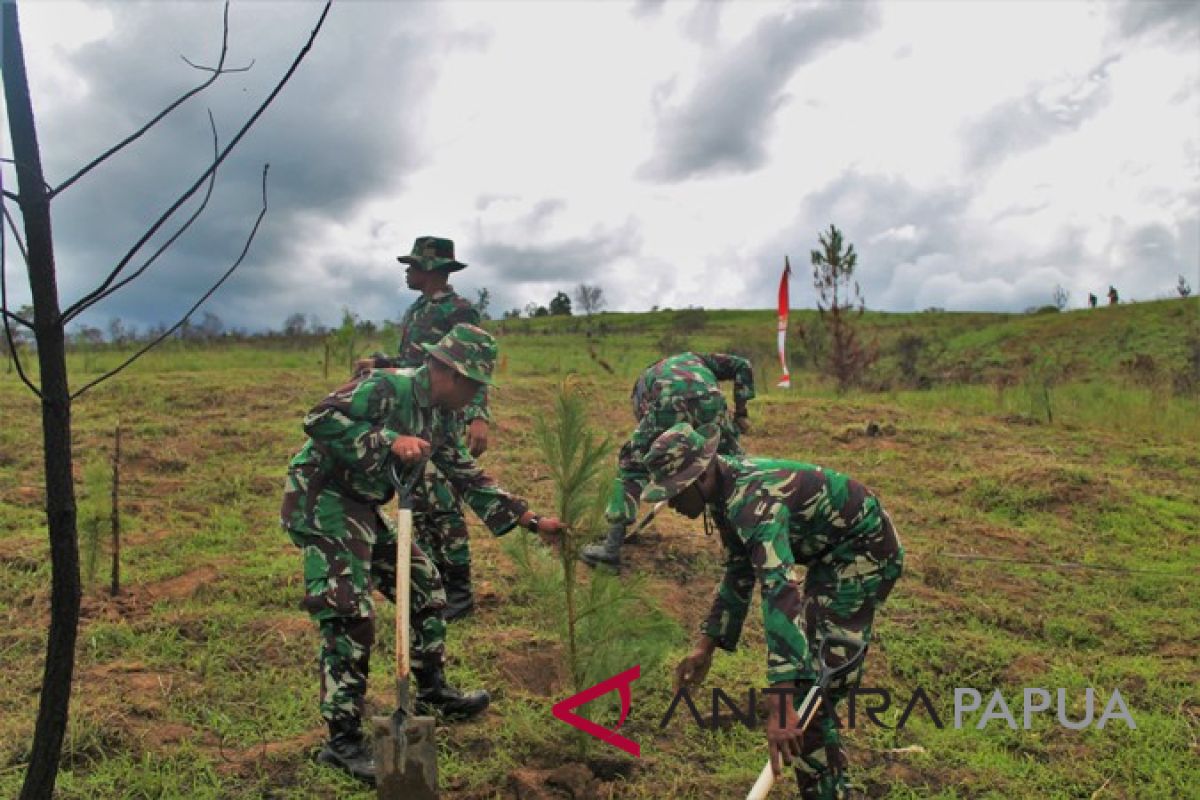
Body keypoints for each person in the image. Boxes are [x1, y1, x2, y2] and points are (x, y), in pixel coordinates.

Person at [283, 323, 564, 784]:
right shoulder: (386, 387)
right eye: (473, 384)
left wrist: (530, 520)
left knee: (425, 585)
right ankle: (343, 742)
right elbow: (318, 419)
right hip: (324, 498)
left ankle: (431, 690)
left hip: (364, 503)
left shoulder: (441, 415)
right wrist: (387, 441)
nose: (476, 396)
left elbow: (465, 473)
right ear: (448, 372)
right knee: (350, 613)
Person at [645, 423, 903, 800]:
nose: (670, 504)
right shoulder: (724, 490)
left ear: (698, 478)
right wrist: (706, 646)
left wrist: (780, 703)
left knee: (808, 698)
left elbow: (780, 591)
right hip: (829, 559)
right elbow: (738, 570)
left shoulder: (754, 502)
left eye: (673, 493)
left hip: (863, 554)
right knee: (809, 694)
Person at [360, 236, 489, 621]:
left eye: (413, 264)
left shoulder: (460, 311)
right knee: (422, 500)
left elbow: (473, 367)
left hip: (444, 419)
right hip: (413, 413)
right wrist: (381, 364)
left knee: (443, 503)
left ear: (431, 269)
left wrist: (478, 415)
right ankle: (436, 585)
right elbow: (413, 362)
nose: (406, 270)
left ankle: (460, 595)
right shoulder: (417, 309)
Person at [580, 352, 755, 569]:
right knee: (726, 470)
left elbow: (652, 445)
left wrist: (663, 468)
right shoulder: (701, 359)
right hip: (712, 403)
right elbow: (743, 365)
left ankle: (611, 547)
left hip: (667, 403)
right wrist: (740, 412)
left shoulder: (644, 383)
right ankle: (740, 546)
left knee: (631, 462)